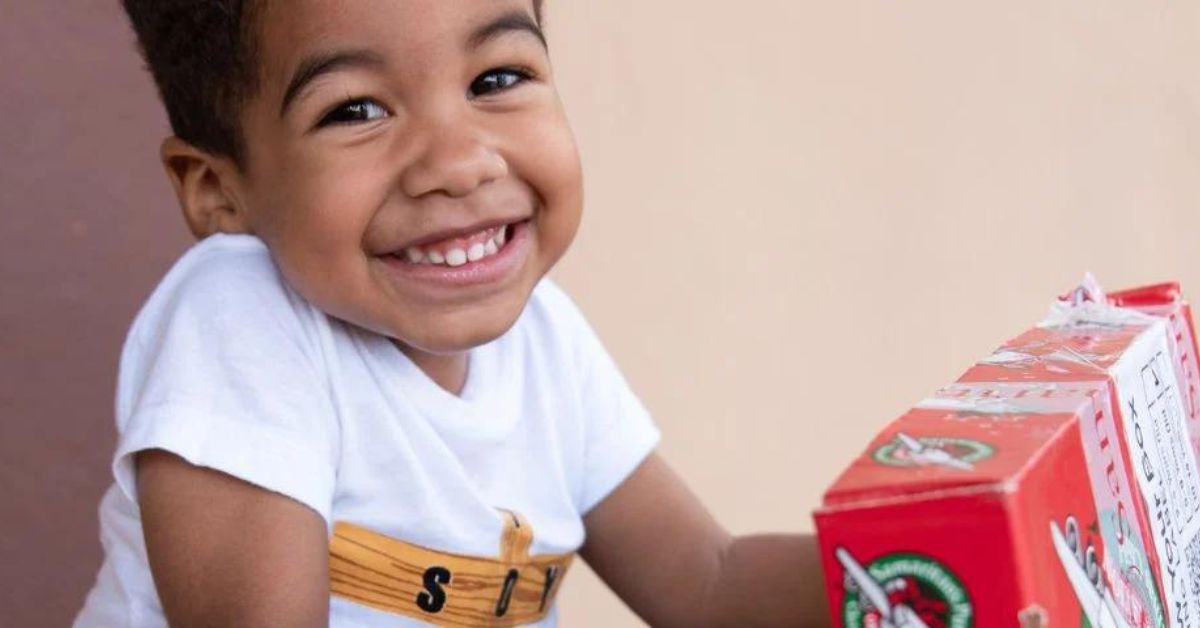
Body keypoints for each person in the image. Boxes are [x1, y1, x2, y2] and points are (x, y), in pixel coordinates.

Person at [75, 1, 828, 625]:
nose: (460, 162)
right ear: (216, 188)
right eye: (356, 110)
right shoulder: (242, 315)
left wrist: (923, 566)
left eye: (497, 78)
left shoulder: (545, 341)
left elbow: (711, 583)